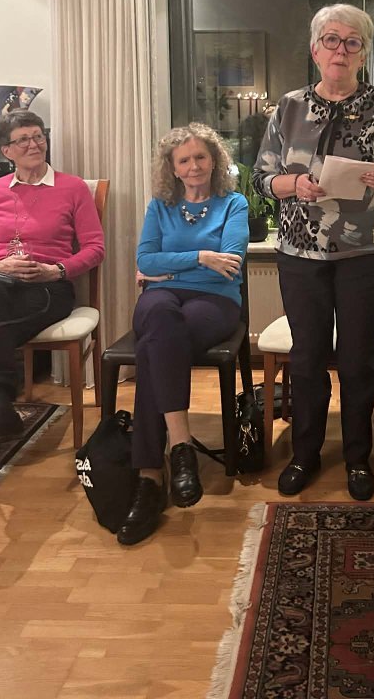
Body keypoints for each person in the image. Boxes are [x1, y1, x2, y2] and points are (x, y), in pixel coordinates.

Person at [253, 4, 374, 502]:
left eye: (352, 42)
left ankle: (357, 457)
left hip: (367, 252)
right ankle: (304, 454)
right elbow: (262, 178)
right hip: (301, 253)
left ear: (363, 54)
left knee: (358, 359)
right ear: (315, 49)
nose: (340, 49)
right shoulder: (288, 107)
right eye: (331, 39)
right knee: (306, 359)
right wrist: (293, 184)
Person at [0, 111, 105, 507]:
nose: (34, 144)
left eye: (38, 136)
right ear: (6, 151)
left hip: (48, 289)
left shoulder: (72, 188)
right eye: (23, 139)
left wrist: (56, 270)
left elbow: (95, 248)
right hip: (1, 287)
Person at [116, 123, 248, 546]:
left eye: (200, 157)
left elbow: (231, 262)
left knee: (154, 346)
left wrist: (170, 267)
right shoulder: (160, 206)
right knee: (159, 318)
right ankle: (180, 445)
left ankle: (149, 478)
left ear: (215, 160)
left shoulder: (234, 203)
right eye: (184, 160)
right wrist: (202, 257)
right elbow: (144, 259)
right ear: (172, 168)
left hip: (215, 302)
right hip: (162, 300)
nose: (194, 166)